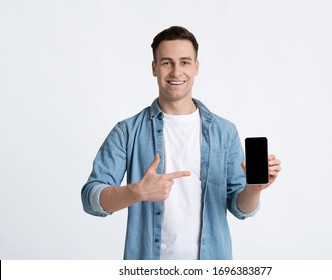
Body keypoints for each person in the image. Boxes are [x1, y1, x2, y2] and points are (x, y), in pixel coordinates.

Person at [81, 26, 281, 260]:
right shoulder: (127, 131)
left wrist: (253, 189)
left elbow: (240, 209)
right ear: (154, 68)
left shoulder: (224, 132)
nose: (176, 72)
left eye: (185, 62)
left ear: (196, 67)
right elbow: (91, 198)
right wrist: (136, 192)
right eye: (166, 62)